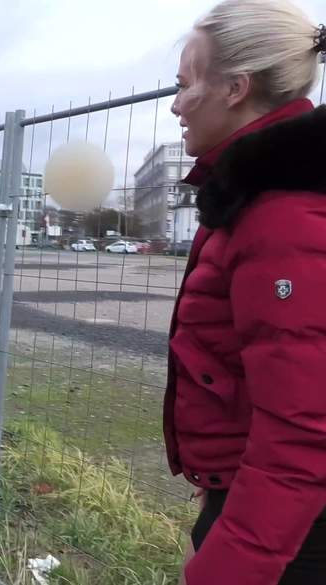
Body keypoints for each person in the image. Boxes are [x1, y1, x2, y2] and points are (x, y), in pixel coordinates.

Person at [165, 1, 326, 583]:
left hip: (290, 536)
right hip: (262, 510)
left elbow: (303, 428)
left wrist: (228, 565)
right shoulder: (248, 196)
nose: (176, 104)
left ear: (235, 88)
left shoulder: (281, 216)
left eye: (184, 84)